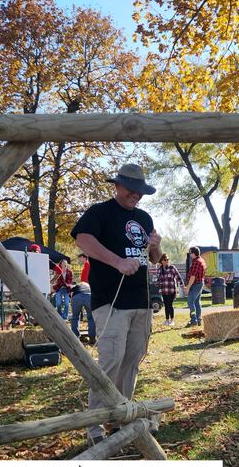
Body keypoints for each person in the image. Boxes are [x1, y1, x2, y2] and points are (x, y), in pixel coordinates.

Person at [71, 163, 161, 444]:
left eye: (140, 191)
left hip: (141, 302)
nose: (136, 195)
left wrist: (156, 244)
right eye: (132, 189)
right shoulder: (100, 212)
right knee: (110, 361)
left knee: (131, 361)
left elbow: (154, 258)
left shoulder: (145, 218)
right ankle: (95, 426)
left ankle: (119, 416)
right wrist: (118, 262)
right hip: (110, 300)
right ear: (118, 185)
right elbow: (83, 240)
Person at [156, 253, 183, 326]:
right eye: (165, 260)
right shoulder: (159, 270)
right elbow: (158, 280)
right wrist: (157, 283)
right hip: (164, 290)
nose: (167, 261)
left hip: (171, 290)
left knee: (170, 304)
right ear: (162, 261)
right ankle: (167, 320)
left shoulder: (172, 268)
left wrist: (182, 286)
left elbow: (178, 277)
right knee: (166, 305)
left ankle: (172, 320)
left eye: (168, 259)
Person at [185, 246, 206, 327]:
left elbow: (193, 276)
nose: (190, 255)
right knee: (197, 302)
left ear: (194, 253)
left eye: (190, 253)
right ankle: (198, 319)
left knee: (190, 302)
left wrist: (188, 287)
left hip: (196, 284)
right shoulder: (201, 260)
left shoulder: (197, 262)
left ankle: (194, 320)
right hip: (200, 283)